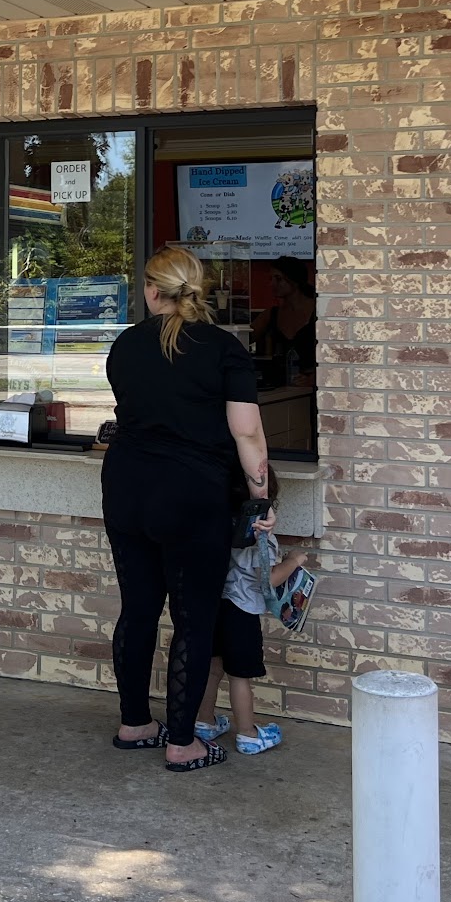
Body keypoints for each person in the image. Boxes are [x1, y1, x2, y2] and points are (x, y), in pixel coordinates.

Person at [103, 247, 270, 773]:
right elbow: (248, 435)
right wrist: (260, 498)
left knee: (138, 610)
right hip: (192, 495)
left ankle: (135, 725)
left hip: (127, 488)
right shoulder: (223, 348)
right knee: (193, 620)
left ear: (152, 290)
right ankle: (182, 742)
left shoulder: (124, 345)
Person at [194, 470, 312, 753]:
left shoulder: (217, 523)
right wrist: (294, 561)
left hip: (215, 604)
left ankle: (204, 722)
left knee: (212, 668)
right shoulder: (260, 535)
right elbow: (268, 579)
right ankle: (247, 733)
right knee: (239, 676)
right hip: (242, 611)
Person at [251, 256, 317, 386]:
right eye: (271, 279)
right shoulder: (271, 314)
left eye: (278, 279)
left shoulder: (319, 311)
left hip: (313, 387)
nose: (272, 284)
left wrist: (315, 378)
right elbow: (245, 337)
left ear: (294, 281)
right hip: (282, 385)